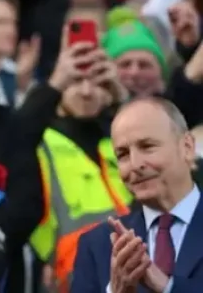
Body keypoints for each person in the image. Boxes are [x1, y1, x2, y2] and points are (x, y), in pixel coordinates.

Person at [72, 97, 202, 292]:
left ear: (187, 147)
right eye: (123, 154)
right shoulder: (97, 245)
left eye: (147, 146)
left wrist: (168, 288)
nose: (135, 165)